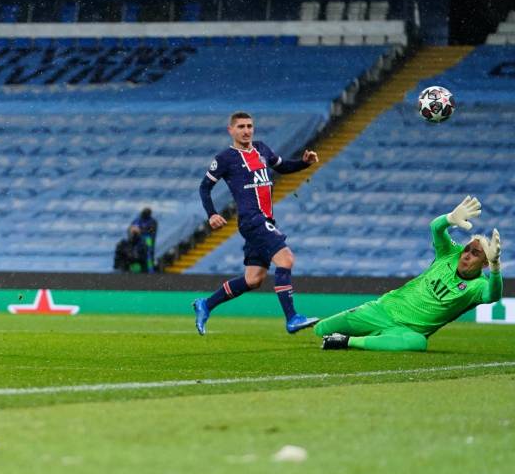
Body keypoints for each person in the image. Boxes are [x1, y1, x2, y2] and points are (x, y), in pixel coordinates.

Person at [316, 196, 502, 351]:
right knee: (321, 329)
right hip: (382, 309)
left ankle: (346, 341)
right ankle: (370, 335)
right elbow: (435, 228)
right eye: (467, 249)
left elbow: (492, 295)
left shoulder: (478, 285)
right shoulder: (450, 253)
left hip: (406, 330)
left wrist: (495, 267)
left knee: (418, 343)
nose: (466, 255)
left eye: (475, 253)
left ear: (484, 263)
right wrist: (450, 218)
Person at [193, 111, 319, 335]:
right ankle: (292, 318)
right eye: (240, 127)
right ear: (230, 130)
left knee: (253, 279)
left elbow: (282, 166)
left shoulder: (261, 149)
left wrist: (304, 163)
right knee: (286, 259)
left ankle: (206, 304)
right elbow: (205, 187)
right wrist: (212, 213)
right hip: (253, 219)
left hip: (265, 219)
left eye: (249, 126)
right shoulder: (225, 159)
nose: (246, 131)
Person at [131, 207, 157, 272]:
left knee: (149, 253)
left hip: (148, 239)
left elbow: (152, 230)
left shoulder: (152, 221)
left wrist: (141, 230)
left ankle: (150, 269)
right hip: (138, 239)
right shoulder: (138, 220)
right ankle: (136, 269)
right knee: (135, 253)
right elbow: (133, 228)